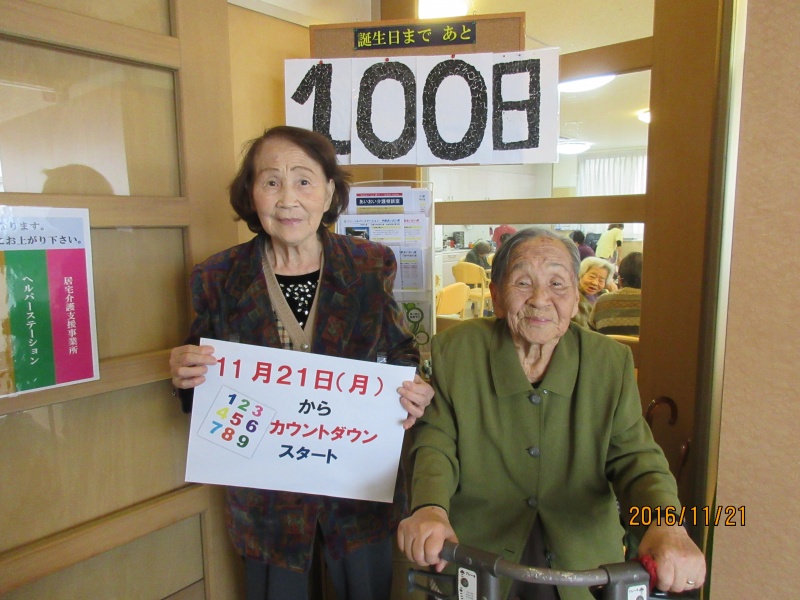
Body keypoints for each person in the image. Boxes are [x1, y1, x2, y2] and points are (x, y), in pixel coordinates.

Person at [169, 125, 434, 600]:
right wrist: (187, 376)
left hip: (356, 484)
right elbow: (203, 392)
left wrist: (415, 387)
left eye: (304, 180)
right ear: (251, 194)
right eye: (271, 181)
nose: (288, 198)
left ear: (329, 192)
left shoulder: (369, 265)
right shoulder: (218, 276)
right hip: (267, 499)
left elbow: (400, 353)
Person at [397, 228, 705, 600]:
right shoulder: (457, 350)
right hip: (477, 557)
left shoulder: (608, 361)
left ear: (576, 298)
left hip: (582, 566)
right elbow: (436, 443)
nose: (540, 299)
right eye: (522, 282)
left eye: (557, 284)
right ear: (497, 294)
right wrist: (430, 507)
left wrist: (666, 524)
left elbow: (636, 458)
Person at [590, 252, 643, 335]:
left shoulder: (602, 301)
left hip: (606, 344)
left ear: (620, 280)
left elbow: (591, 332)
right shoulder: (656, 304)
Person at [573, 256, 615, 329]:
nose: (595, 283)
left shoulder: (603, 297)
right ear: (581, 274)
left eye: (601, 280)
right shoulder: (572, 296)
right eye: (592, 276)